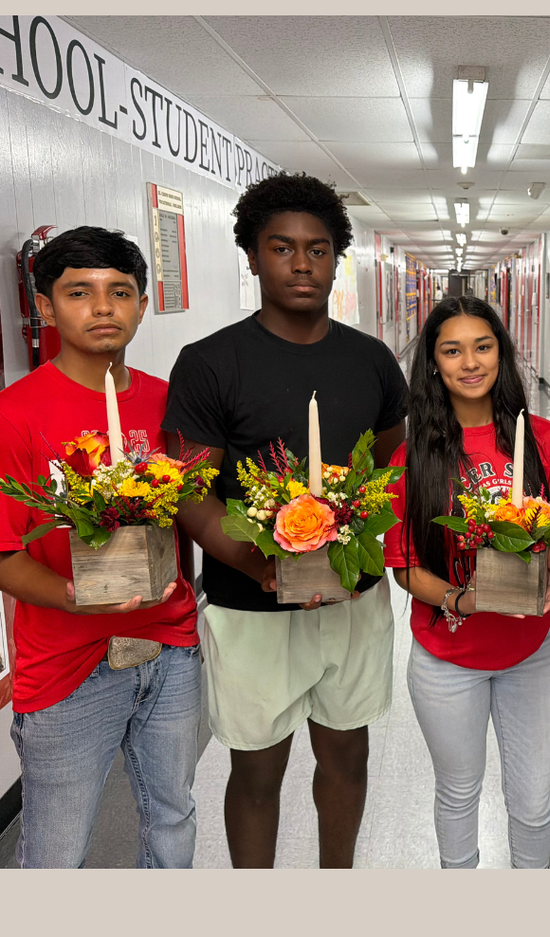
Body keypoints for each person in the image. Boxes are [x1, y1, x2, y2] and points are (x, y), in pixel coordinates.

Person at [162, 173, 409, 868]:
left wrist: (361, 539)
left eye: (319, 249)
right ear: (252, 256)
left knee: (347, 757)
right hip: (251, 608)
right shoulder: (211, 362)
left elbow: (395, 474)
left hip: (352, 605)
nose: (302, 264)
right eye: (282, 248)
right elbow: (188, 491)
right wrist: (258, 563)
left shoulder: (370, 360)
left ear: (336, 258)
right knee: (257, 771)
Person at [0, 227, 201, 868]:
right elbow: (5, 555)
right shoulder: (16, 413)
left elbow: (190, 518)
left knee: (172, 818)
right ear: (46, 306)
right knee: (57, 849)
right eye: (80, 292)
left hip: (169, 648)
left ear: (143, 304)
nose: (103, 307)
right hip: (65, 664)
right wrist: (73, 597)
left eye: (120, 292)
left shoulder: (169, 404)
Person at [384, 295, 550, 869]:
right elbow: (405, 565)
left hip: (532, 652)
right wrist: (460, 598)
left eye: (483, 346)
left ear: (502, 353)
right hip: (447, 659)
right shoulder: (411, 456)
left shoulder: (543, 440)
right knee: (458, 794)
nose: (470, 362)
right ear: (434, 364)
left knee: (535, 804)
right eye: (452, 350)